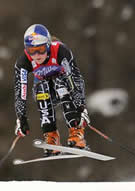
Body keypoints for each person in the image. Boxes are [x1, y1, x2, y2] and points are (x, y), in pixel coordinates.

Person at [14, 24, 91, 157]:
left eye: (41, 49)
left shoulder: (61, 51)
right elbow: (20, 91)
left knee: (61, 83)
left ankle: (76, 132)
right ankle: (51, 136)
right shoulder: (23, 62)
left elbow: (75, 79)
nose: (37, 55)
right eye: (31, 51)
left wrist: (81, 106)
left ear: (48, 45)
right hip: (45, 92)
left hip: (66, 88)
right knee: (41, 87)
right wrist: (21, 118)